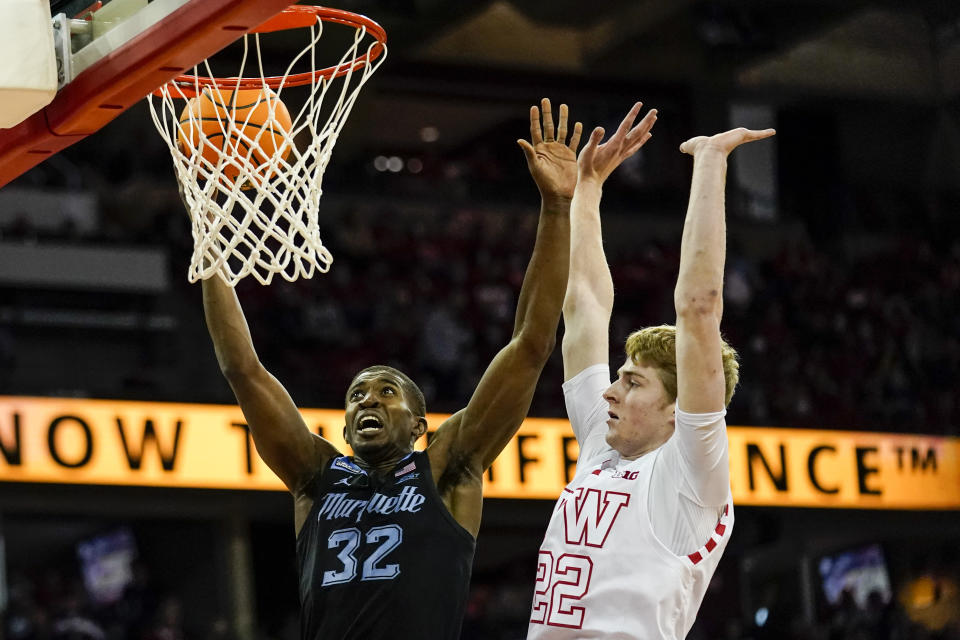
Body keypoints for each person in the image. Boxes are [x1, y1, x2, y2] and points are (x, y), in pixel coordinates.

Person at [196, 99, 581, 640]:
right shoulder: (315, 477)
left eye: (386, 391)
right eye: (357, 395)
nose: (368, 400)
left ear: (421, 425)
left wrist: (557, 208)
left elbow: (530, 345)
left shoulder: (449, 467)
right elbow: (244, 369)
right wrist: (210, 237)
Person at [527, 103, 775, 639]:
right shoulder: (603, 446)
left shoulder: (690, 475)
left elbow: (700, 306)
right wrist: (586, 189)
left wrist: (710, 159)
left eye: (634, 382)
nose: (610, 393)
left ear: (676, 409)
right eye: (619, 376)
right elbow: (586, 304)